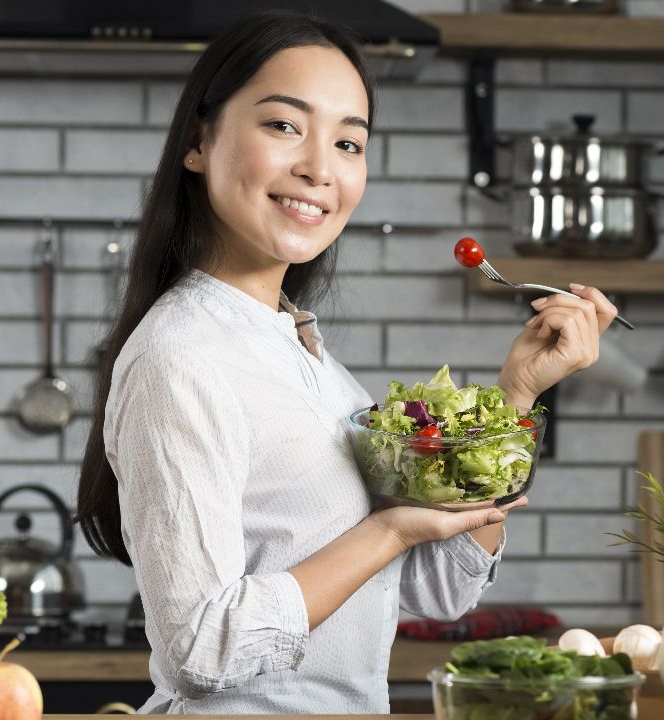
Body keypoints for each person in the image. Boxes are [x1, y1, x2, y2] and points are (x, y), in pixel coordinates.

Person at [75, 10, 618, 715]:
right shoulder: (183, 358)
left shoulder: (303, 355)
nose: (318, 168)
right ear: (198, 141)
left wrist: (516, 397)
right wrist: (387, 529)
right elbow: (201, 651)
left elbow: (438, 588)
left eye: (348, 141)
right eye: (282, 126)